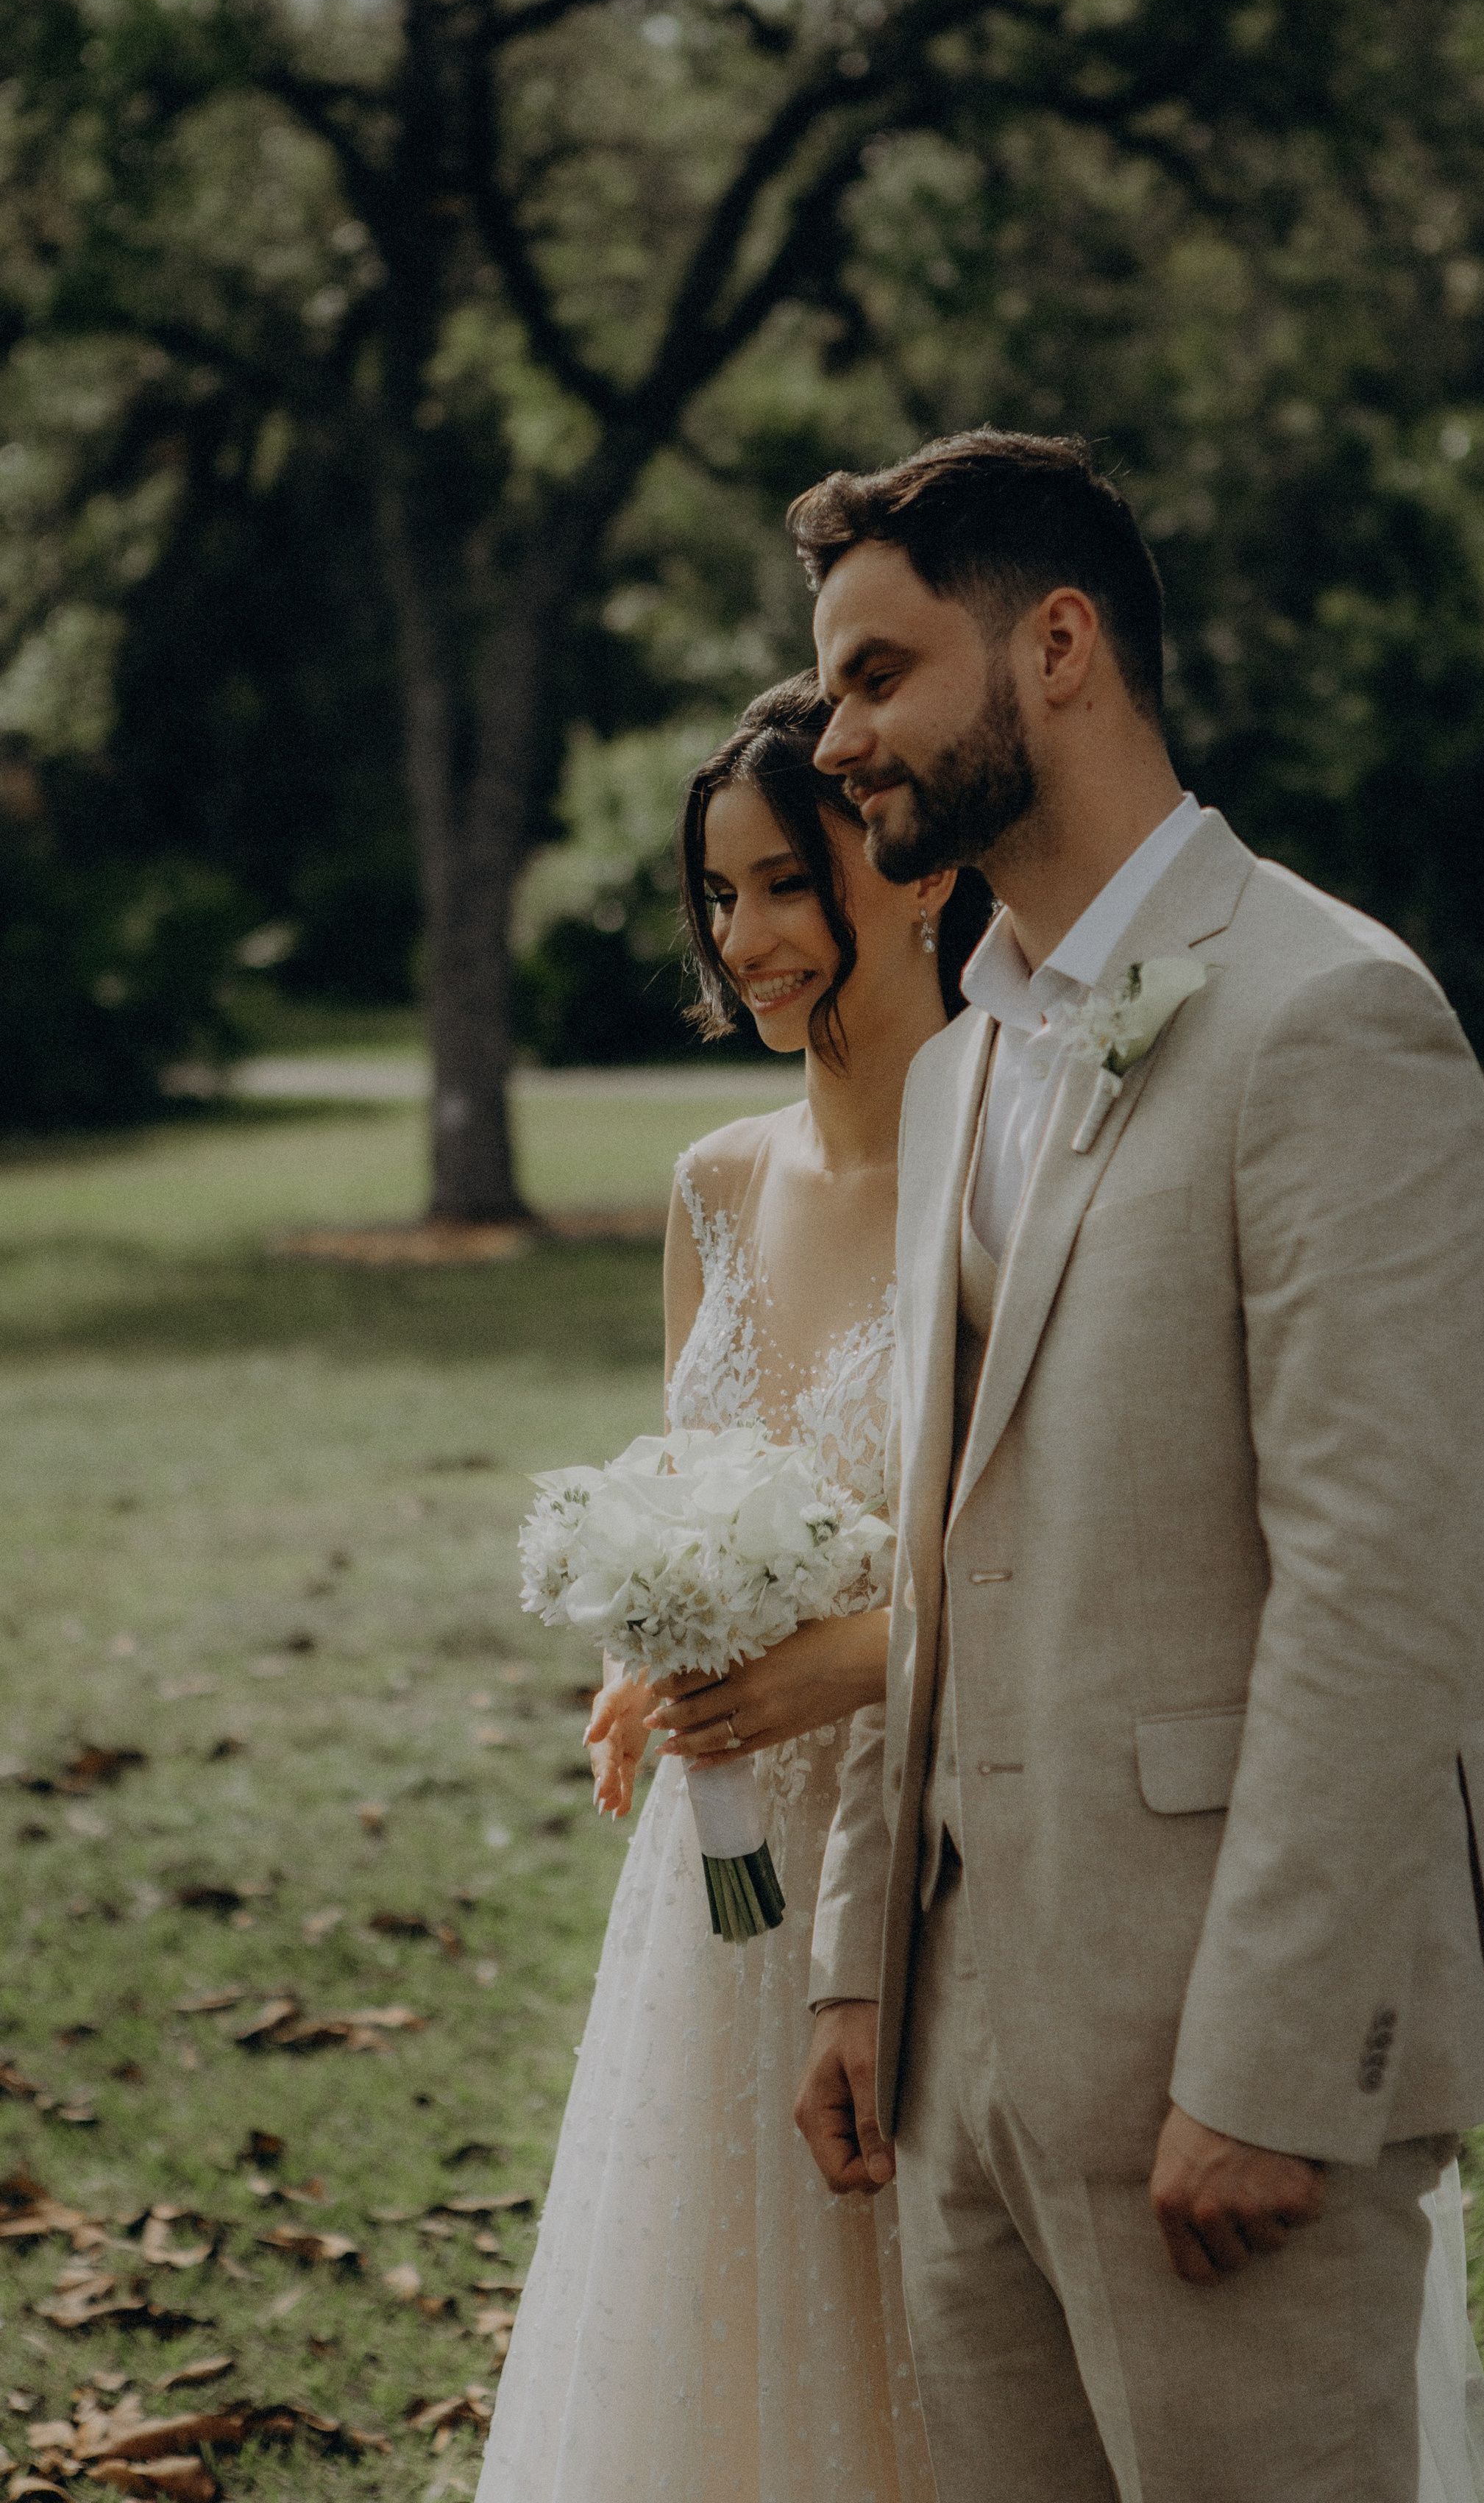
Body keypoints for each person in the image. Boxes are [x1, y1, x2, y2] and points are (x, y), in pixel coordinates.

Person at [792, 430, 1484, 2503]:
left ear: (1055, 647)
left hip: (1216, 2084)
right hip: (965, 2058)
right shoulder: (964, 1054)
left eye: (877, 676)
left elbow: (1379, 1581)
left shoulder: (1335, 1016)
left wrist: (1269, 2072)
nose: (836, 736)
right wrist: (859, 1971)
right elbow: (932, 1537)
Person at [476, 673, 984, 2503]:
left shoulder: (1008, 1168)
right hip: (718, 1875)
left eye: (788, 881)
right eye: (719, 893)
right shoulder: (709, 1187)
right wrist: (647, 1644)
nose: (748, 937)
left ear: (916, 873)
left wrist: (849, 1662)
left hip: (942, 1846)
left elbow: (1052, 1554)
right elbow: (697, 1485)